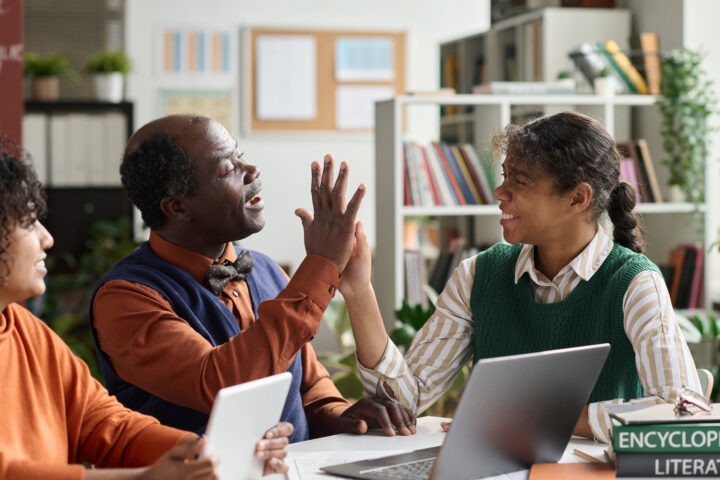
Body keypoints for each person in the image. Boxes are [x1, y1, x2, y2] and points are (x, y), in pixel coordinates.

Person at [340, 111, 701, 444]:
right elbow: (405, 400)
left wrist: (539, 419)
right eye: (504, 176)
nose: (499, 192)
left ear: (577, 198)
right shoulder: (479, 275)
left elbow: (682, 415)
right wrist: (358, 291)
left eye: (520, 181)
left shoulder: (635, 284)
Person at [91, 114, 415, 442]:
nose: (252, 170)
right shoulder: (124, 297)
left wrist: (337, 413)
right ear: (177, 207)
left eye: (240, 156)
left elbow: (308, 384)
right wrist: (322, 264)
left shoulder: (265, 269)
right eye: (227, 168)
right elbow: (220, 383)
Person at [0, 141, 293, 479]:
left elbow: (104, 423)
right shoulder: (128, 292)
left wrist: (207, 453)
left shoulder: (23, 327)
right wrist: (143, 478)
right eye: (27, 222)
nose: (47, 238)